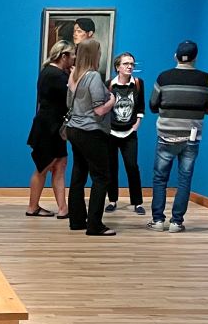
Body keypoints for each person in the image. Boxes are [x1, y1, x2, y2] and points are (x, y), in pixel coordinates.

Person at [148, 40, 208, 233]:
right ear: (196, 57)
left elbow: (153, 105)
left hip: (166, 135)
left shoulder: (163, 78)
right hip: (191, 137)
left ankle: (158, 220)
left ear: (175, 56)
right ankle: (176, 222)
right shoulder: (206, 80)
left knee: (160, 178)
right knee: (185, 179)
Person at [64, 38, 117, 236]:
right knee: (101, 177)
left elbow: (70, 103)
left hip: (74, 130)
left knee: (78, 175)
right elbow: (99, 110)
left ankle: (77, 220)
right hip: (91, 131)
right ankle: (95, 224)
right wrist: (112, 99)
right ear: (94, 54)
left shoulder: (74, 75)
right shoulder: (93, 76)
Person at [26, 40, 74, 218]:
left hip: (51, 126)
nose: (74, 58)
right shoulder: (56, 75)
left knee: (59, 165)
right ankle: (33, 206)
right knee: (43, 167)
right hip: (49, 127)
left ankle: (63, 208)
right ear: (64, 56)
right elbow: (70, 98)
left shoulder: (50, 72)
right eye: (72, 55)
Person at [105, 52, 146, 215]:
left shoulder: (138, 83)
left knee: (132, 166)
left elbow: (141, 107)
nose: (130, 67)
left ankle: (137, 202)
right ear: (117, 67)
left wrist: (136, 124)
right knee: (111, 167)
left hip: (129, 132)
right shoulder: (109, 84)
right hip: (111, 132)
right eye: (126, 64)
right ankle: (112, 200)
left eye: (132, 64)